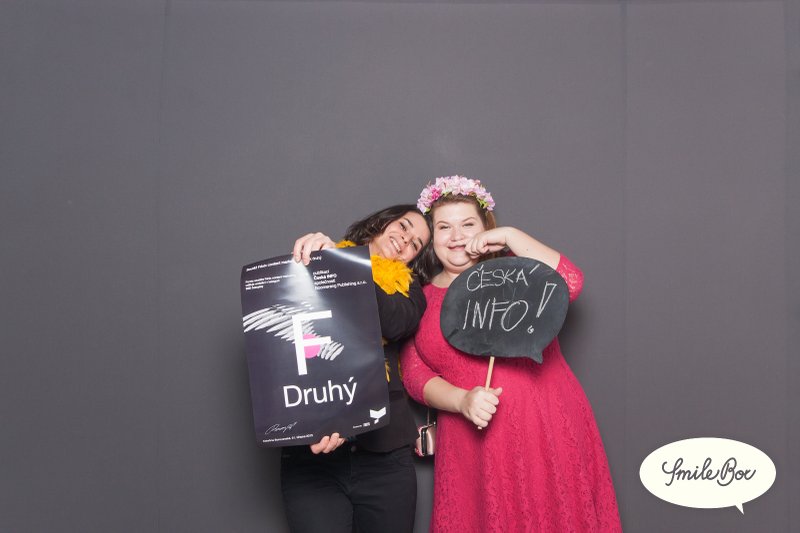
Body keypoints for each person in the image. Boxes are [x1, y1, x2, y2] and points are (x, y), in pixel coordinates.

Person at [401, 177, 622, 532]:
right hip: (470, 442)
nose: (456, 236)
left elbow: (570, 283)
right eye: (444, 227)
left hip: (542, 427)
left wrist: (511, 236)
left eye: (467, 224)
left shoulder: (519, 273)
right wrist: (461, 401)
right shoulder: (419, 299)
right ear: (431, 235)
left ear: (485, 228)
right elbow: (413, 373)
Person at [281, 204, 432, 533]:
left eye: (416, 244)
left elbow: (392, 322)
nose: (405, 240)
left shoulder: (411, 294)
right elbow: (284, 331)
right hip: (315, 463)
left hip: (385, 461)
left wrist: (340, 264)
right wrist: (318, 257)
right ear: (382, 221)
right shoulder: (318, 261)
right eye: (403, 226)